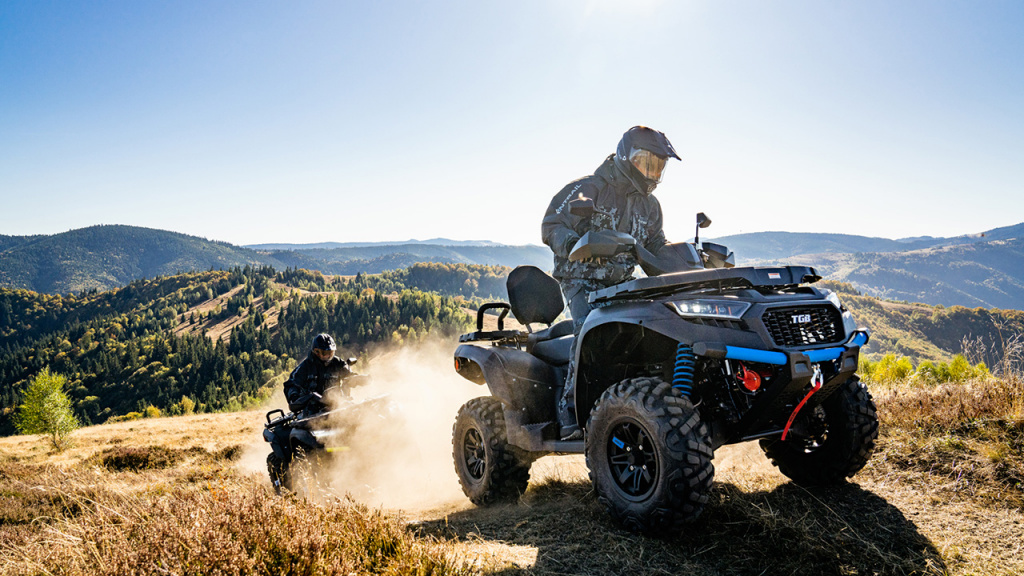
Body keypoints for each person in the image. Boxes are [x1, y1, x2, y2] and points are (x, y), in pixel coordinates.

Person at [541, 126, 681, 439]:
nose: (652, 172)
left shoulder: (651, 206)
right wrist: (577, 243)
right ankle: (569, 414)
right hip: (582, 281)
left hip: (623, 284)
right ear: (625, 157)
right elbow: (552, 225)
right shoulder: (589, 188)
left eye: (658, 166)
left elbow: (656, 246)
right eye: (646, 162)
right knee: (590, 331)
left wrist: (686, 262)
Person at [284, 333, 352, 414]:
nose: (328, 355)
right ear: (316, 352)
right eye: (325, 353)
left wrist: (357, 378)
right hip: (312, 411)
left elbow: (349, 375)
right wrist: (295, 397)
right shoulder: (305, 367)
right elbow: (291, 385)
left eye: (331, 352)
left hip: (337, 405)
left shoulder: (338, 363)